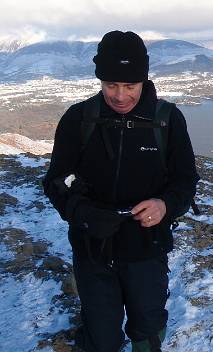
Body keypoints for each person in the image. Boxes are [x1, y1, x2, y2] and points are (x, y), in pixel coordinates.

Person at [43, 30, 200, 352]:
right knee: (101, 334)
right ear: (100, 80)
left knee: (147, 325)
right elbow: (55, 181)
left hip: (147, 247)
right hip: (92, 248)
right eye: (111, 85)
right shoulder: (79, 118)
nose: (119, 95)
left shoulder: (167, 120)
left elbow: (186, 180)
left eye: (130, 85)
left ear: (144, 79)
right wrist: (82, 213)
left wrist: (164, 205)